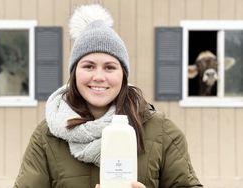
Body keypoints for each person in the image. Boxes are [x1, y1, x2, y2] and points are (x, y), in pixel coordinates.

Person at [14, 4, 203, 188]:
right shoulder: (47, 136)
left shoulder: (161, 131)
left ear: (123, 75)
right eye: (88, 66)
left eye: (110, 67)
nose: (98, 77)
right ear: (74, 73)